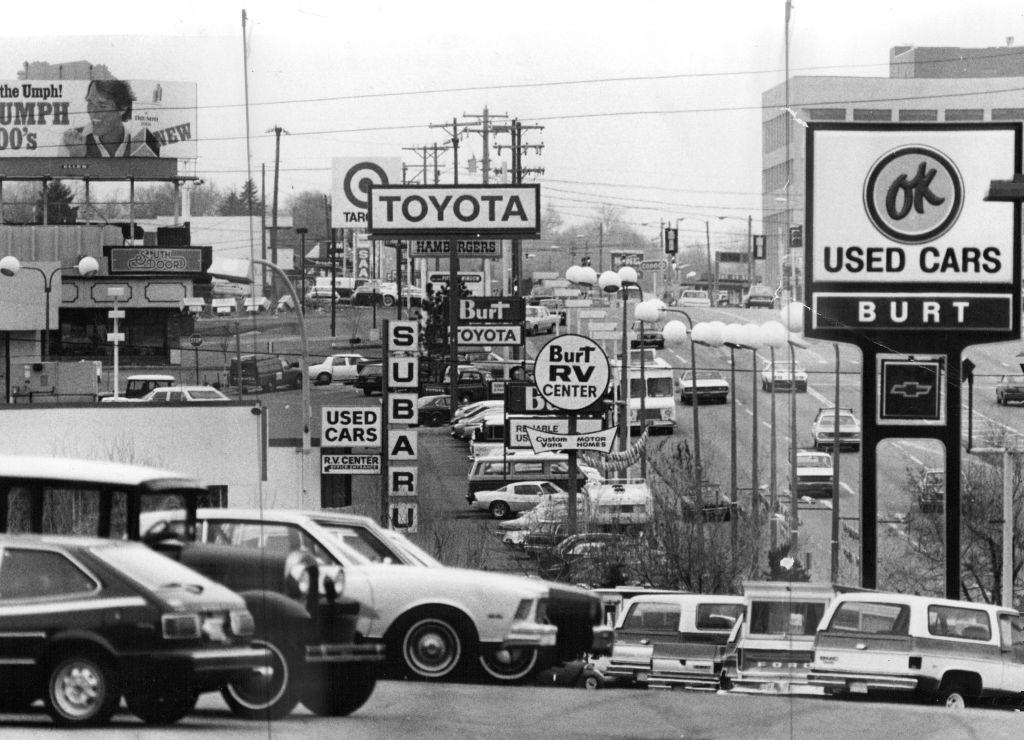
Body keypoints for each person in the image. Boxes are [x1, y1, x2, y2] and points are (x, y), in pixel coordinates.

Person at [61, 79, 160, 158]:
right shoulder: (71, 139)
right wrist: (76, 156)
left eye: (102, 105)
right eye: (90, 103)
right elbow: (58, 182)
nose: (92, 111)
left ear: (122, 109)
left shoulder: (139, 143)